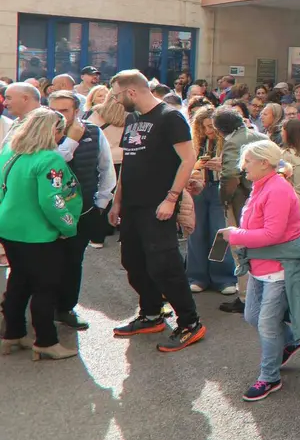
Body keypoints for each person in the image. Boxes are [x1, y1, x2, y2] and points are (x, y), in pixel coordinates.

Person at [109, 70, 204, 352]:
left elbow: (189, 159)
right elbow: (128, 160)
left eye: (116, 94)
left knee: (165, 266)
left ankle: (190, 322)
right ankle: (152, 314)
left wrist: (172, 198)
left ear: (131, 92)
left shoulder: (169, 117)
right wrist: (117, 200)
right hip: (132, 205)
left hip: (159, 205)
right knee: (133, 262)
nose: (115, 100)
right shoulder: (132, 118)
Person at [217, 140, 300, 402]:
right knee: (252, 316)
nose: (243, 166)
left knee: (267, 325)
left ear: (264, 163)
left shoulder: (277, 189)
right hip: (260, 266)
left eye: (248, 161)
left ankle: (269, 377)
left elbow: (272, 234)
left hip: (278, 268)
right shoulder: (261, 185)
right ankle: (291, 340)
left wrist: (235, 235)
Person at [0, 108, 83, 360]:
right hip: (38, 233)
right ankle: (46, 341)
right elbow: (52, 200)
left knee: (18, 281)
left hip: (10, 229)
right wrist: (68, 227)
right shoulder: (49, 159)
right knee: (45, 287)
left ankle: (12, 334)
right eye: (61, 131)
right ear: (53, 131)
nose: (61, 135)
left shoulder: (10, 153)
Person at [46, 91, 115, 329]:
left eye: (64, 110)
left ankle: (65, 308)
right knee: (45, 262)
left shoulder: (95, 132)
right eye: (54, 109)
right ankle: (42, 309)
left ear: (77, 111)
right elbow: (48, 165)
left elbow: (106, 169)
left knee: (73, 261)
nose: (58, 115)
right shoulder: (41, 134)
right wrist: (70, 141)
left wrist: (101, 204)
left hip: (83, 211)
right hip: (46, 212)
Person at [214, 106, 267, 315]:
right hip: (263, 196)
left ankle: (245, 298)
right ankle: (260, 294)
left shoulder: (233, 143)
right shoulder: (260, 136)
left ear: (220, 129)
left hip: (241, 200)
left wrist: (224, 200)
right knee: (261, 248)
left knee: (240, 248)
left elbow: (230, 176)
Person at [186, 106, 238, 295]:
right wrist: (196, 167)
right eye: (204, 127)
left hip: (219, 190)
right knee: (196, 232)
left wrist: (222, 165)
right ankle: (196, 276)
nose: (208, 131)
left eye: (211, 126)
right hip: (198, 189)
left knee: (219, 233)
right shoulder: (195, 144)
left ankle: (223, 277)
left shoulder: (229, 142)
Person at [83, 88, 127, 248]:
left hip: (100, 158)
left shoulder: (95, 113)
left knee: (102, 195)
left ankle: (97, 237)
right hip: (123, 159)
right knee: (121, 195)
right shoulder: (131, 116)